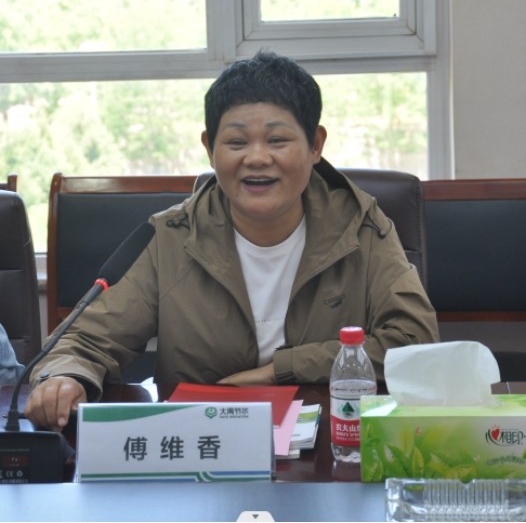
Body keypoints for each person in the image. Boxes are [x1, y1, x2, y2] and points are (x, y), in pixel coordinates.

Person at [25, 51, 439, 431]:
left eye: (277, 140)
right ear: (210, 148)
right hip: (203, 447)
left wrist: (281, 370)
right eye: (237, 142)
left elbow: (414, 342)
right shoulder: (172, 238)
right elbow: (83, 341)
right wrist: (65, 377)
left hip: (333, 443)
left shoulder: (361, 228)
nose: (256, 158)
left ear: (315, 146)